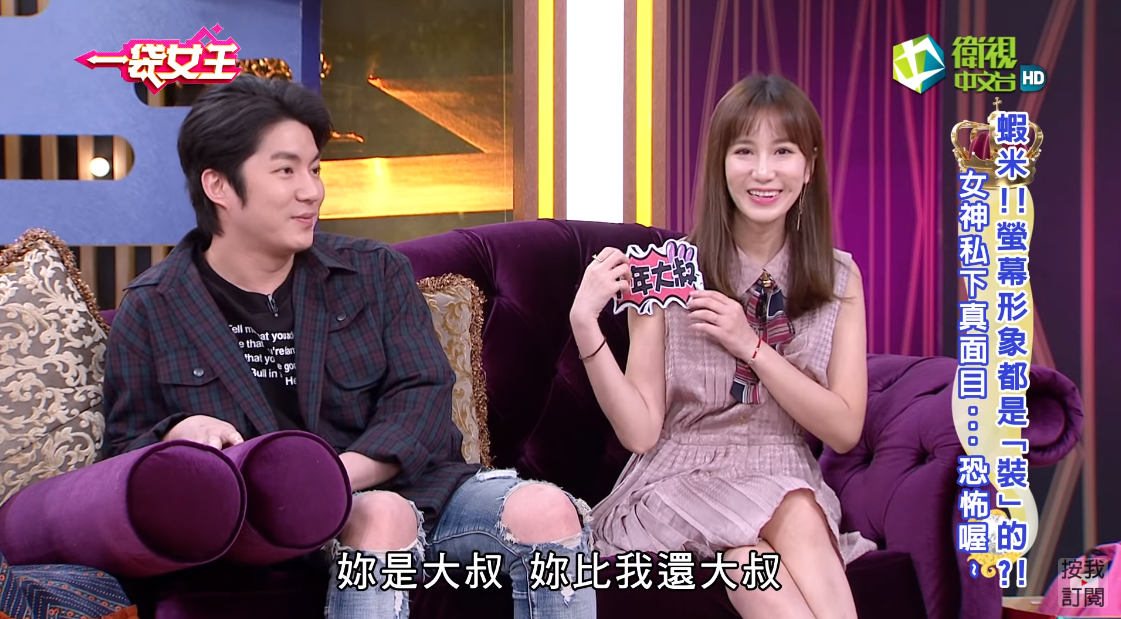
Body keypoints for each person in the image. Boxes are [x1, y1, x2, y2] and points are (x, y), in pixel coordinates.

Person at [101, 73, 597, 619]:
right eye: (286, 170)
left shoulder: (374, 272)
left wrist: (335, 475)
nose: (311, 191)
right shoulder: (154, 307)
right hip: (267, 526)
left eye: (314, 169)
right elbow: (121, 458)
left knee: (548, 510)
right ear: (219, 186)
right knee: (380, 516)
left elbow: (422, 399)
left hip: (420, 491)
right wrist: (176, 434)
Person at [570, 74, 877, 619]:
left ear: (809, 166)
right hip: (680, 480)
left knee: (754, 557)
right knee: (785, 520)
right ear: (721, 164)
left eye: (782, 151)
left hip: (784, 474)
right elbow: (641, 432)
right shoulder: (667, 271)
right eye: (744, 151)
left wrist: (750, 345)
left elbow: (844, 429)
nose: (763, 172)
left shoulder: (839, 279)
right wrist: (584, 325)